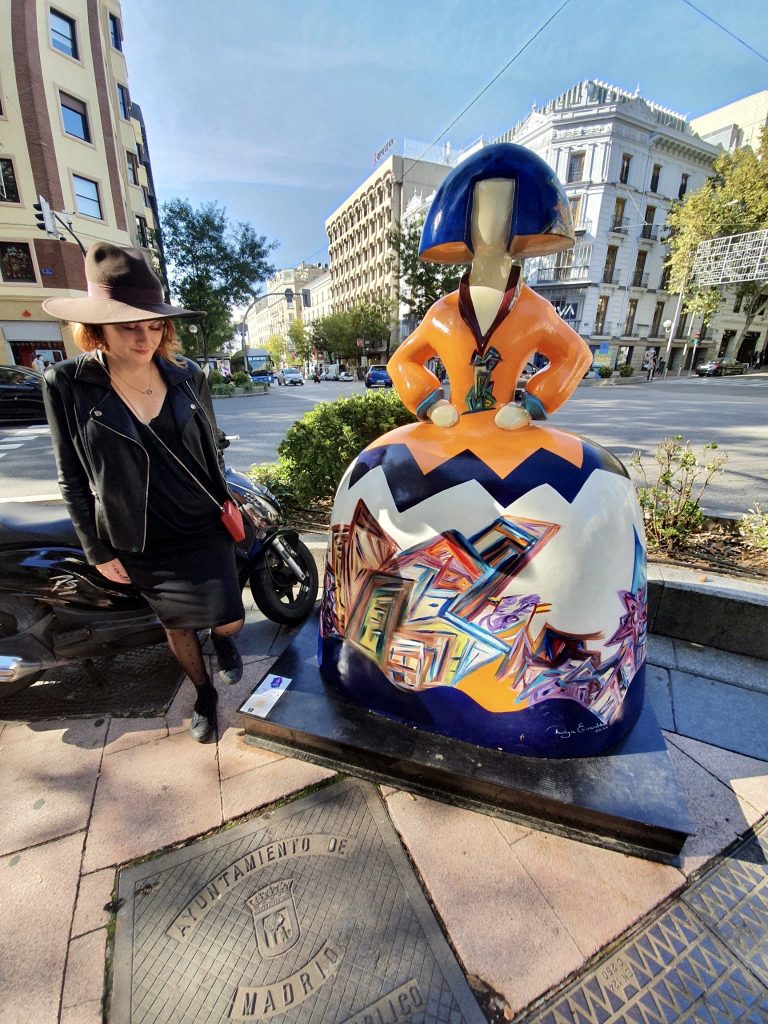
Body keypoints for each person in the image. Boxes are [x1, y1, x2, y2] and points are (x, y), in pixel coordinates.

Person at [41, 243, 244, 743]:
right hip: (141, 534)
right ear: (96, 328)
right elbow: (70, 473)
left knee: (230, 617)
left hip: (201, 519)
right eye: (130, 326)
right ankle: (204, 695)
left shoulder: (189, 375)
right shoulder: (68, 383)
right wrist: (95, 547)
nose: (145, 337)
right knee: (177, 624)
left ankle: (225, 643)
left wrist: (227, 496)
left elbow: (210, 446)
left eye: (155, 325)